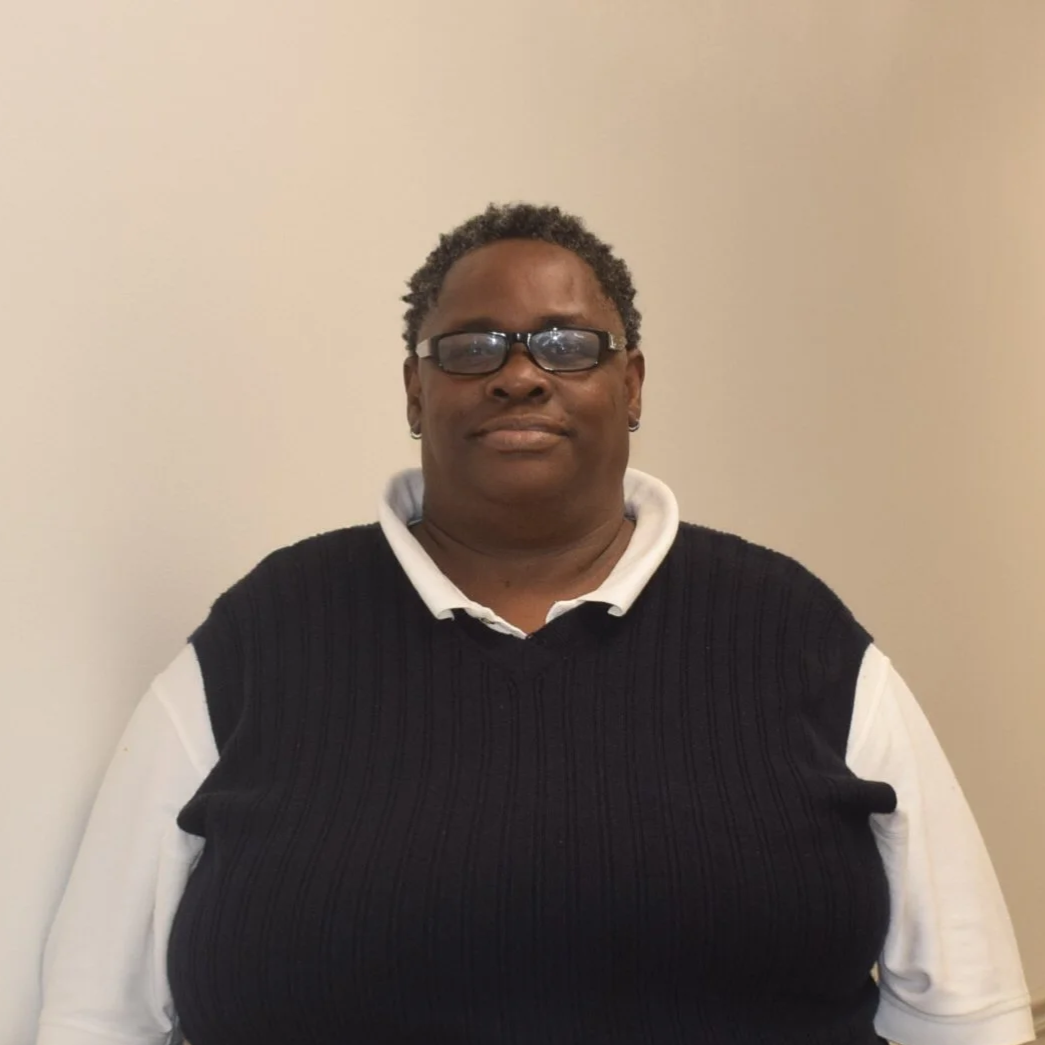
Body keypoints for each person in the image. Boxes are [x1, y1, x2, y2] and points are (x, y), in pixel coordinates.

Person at [37, 203, 1034, 1045]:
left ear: (630, 385)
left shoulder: (795, 638)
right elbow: (98, 1008)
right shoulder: (260, 643)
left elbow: (966, 1006)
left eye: (566, 343)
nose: (520, 374)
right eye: (472, 346)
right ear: (413, 391)